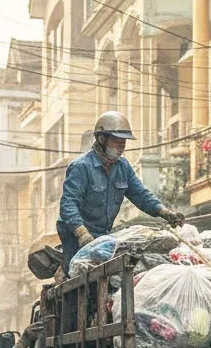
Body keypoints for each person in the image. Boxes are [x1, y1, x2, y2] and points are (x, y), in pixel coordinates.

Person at [56, 110, 185, 268]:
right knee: (80, 271)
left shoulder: (123, 167)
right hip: (74, 233)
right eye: (117, 140)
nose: (122, 145)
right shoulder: (81, 167)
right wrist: (82, 234)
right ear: (102, 139)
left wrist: (166, 213)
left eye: (124, 141)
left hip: (102, 233)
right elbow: (68, 205)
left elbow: (141, 195)